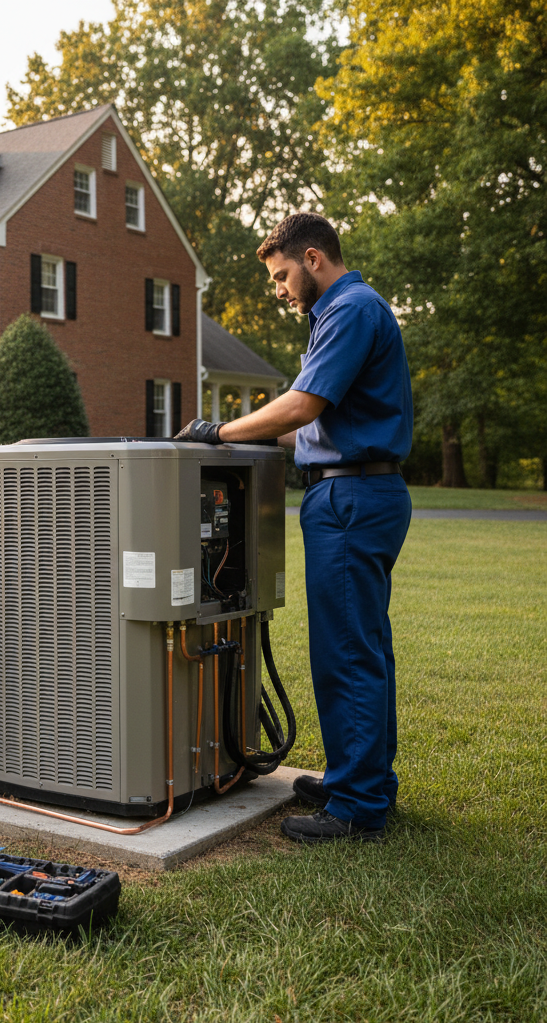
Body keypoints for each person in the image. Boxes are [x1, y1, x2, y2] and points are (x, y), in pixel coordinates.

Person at [176, 211, 412, 843]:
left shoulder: (350, 308)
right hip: (358, 491)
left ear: (313, 260)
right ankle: (358, 780)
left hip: (352, 499)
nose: (278, 289)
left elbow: (304, 404)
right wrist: (231, 434)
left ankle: (358, 806)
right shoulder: (343, 314)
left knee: (347, 652)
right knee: (365, 646)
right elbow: (307, 425)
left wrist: (219, 430)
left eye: (281, 276)